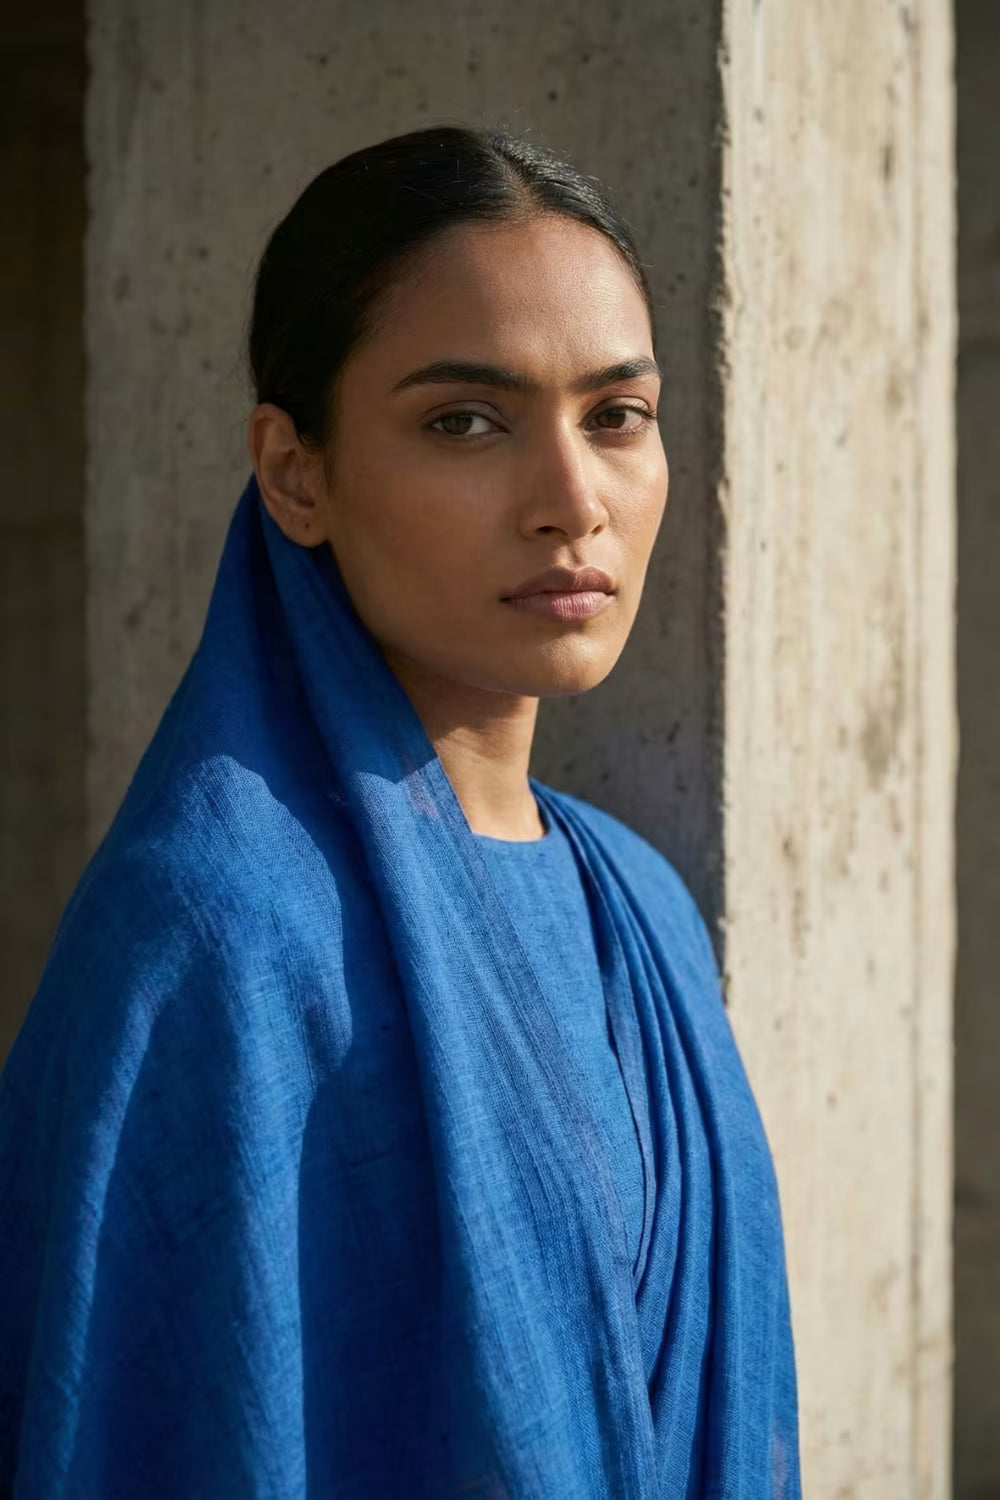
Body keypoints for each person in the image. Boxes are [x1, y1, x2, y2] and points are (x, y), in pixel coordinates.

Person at [0, 123, 800, 1498]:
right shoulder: (218, 932)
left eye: (616, 416)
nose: (573, 502)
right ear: (295, 472)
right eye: (466, 422)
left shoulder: (641, 907)